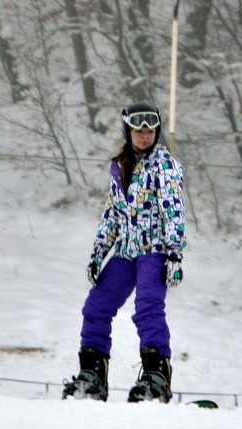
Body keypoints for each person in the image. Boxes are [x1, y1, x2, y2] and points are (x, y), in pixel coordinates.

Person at [63, 101, 187, 403]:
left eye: (150, 131)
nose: (145, 136)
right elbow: (113, 215)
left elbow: (173, 211)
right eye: (138, 131)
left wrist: (173, 253)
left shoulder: (165, 166)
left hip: (153, 249)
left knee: (147, 307)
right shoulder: (120, 166)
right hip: (125, 251)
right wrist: (98, 253)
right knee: (96, 306)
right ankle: (92, 375)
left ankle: (156, 375)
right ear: (128, 131)